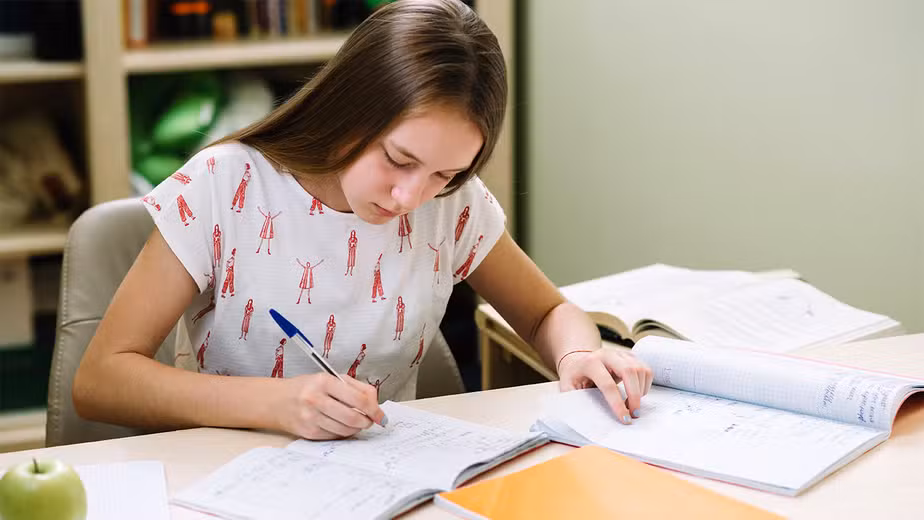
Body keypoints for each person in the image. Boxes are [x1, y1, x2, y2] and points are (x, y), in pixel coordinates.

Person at [72, 0, 652, 442]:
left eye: (444, 174)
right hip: (234, 467)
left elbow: (547, 310)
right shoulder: (226, 186)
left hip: (385, 475)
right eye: (399, 159)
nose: (410, 196)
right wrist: (275, 404)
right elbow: (101, 380)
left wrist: (578, 354)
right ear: (349, 108)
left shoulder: (452, 205)